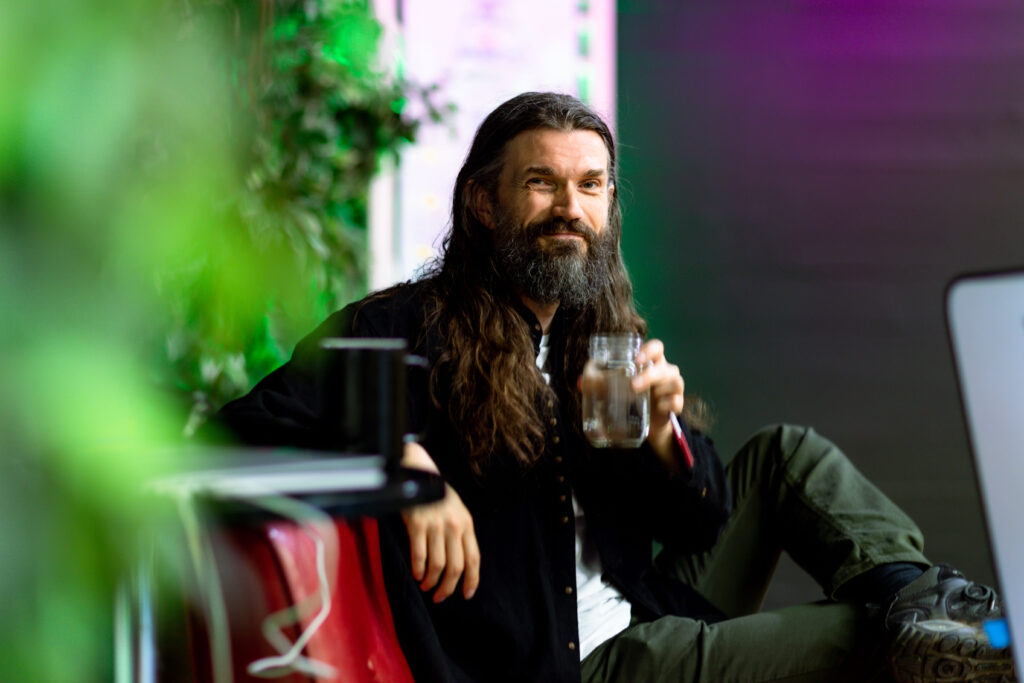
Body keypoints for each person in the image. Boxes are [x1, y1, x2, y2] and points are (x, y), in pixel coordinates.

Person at [215, 92, 1014, 682]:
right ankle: (946, 629)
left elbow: (704, 517)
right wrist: (401, 463)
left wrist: (664, 440)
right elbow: (236, 432)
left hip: (642, 603)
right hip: (572, 665)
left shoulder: (593, 334)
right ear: (483, 202)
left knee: (787, 455)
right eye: (542, 182)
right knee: (876, 643)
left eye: (591, 185)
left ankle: (916, 599)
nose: (570, 208)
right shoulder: (402, 326)